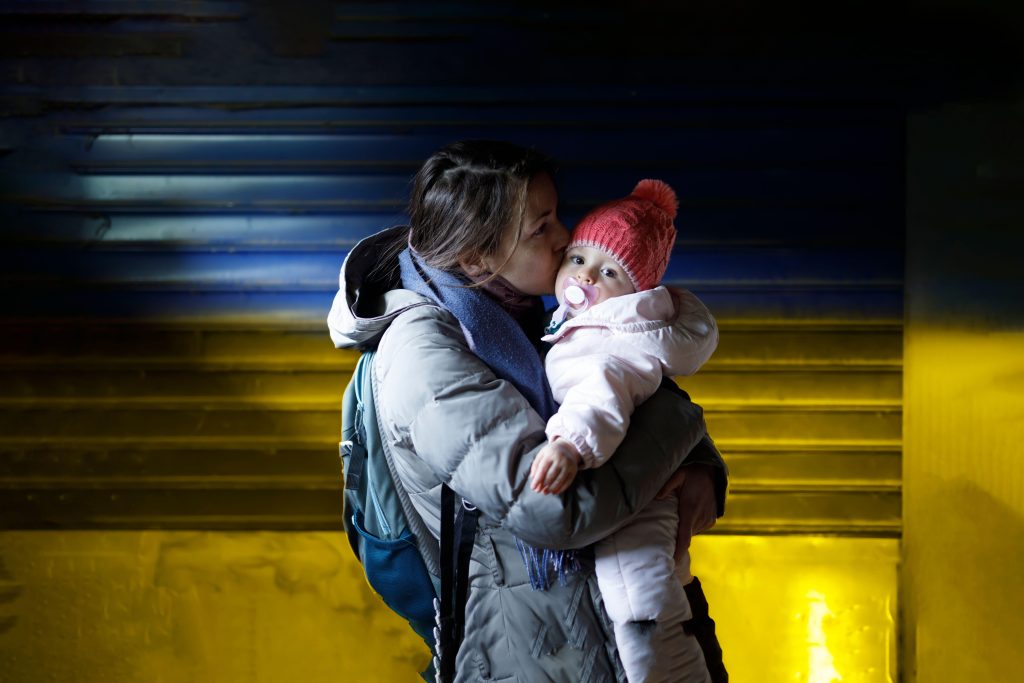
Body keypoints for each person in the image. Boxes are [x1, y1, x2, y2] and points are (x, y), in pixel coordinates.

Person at [327, 140, 727, 682]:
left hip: (586, 635)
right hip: (532, 652)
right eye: (542, 227)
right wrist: (683, 425)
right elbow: (552, 511)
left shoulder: (520, 318)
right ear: (475, 257)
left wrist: (697, 460)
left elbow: (614, 388)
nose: (566, 238)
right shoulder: (426, 352)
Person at [528, 179, 718, 682]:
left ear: (637, 292)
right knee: (662, 590)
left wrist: (570, 444)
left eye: (609, 271)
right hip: (633, 485)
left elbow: (603, 394)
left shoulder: (609, 342)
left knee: (639, 603)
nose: (585, 275)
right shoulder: (583, 323)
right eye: (578, 259)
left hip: (630, 492)